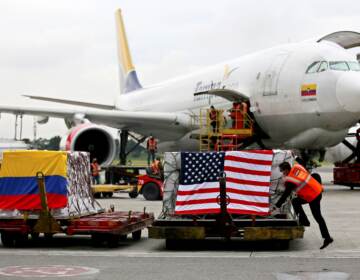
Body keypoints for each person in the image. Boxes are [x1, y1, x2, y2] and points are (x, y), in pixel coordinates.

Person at [275, 161, 333, 249]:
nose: (283, 173)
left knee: (315, 215)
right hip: (316, 190)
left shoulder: (291, 180)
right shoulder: (297, 167)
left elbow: (286, 194)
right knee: (316, 215)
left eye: (283, 171)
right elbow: (302, 163)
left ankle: (306, 222)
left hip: (312, 196)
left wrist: (277, 205)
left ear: (287, 170)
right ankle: (326, 236)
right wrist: (297, 157)